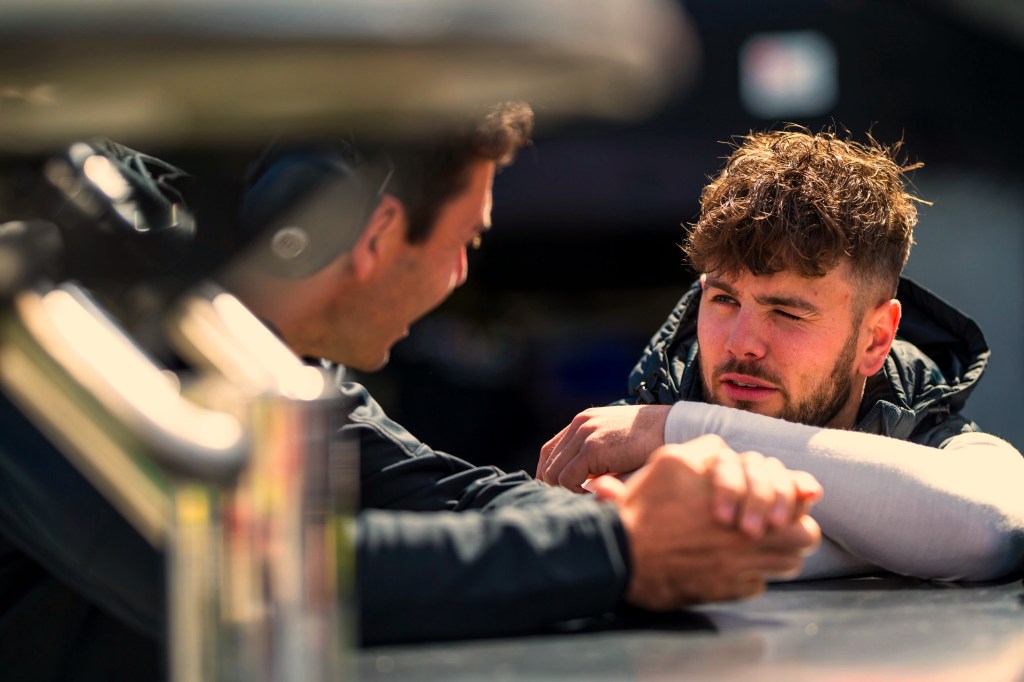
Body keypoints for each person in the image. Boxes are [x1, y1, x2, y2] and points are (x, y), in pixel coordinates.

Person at [0, 104, 821, 679]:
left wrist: (647, 511)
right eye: (466, 242)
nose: (461, 276)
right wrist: (620, 548)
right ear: (377, 233)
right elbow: (222, 570)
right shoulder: (36, 305)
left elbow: (449, 492)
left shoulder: (257, 341)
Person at [537, 128, 1024, 581]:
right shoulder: (616, 444)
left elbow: (991, 531)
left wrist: (681, 429)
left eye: (787, 313)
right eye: (724, 300)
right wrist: (899, 534)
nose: (741, 342)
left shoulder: (938, 442)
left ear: (876, 339)